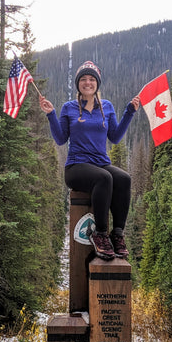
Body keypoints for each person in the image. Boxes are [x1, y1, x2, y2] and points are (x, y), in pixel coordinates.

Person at [39, 61, 140, 260]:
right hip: (76, 166)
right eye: (83, 79)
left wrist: (129, 112)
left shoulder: (107, 107)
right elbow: (60, 139)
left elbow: (115, 137)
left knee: (124, 179)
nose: (88, 83)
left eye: (92, 79)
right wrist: (50, 114)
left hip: (101, 162)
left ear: (97, 83)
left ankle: (117, 234)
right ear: (78, 84)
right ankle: (100, 235)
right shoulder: (69, 108)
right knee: (104, 178)